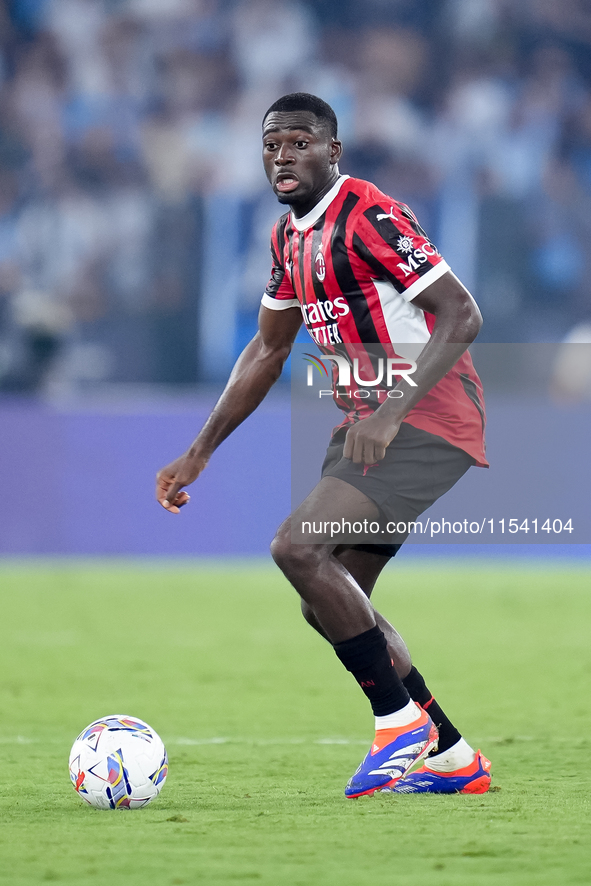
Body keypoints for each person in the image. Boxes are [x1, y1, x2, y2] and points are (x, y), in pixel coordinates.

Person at [156, 93, 492, 797]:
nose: (283, 155)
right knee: (330, 597)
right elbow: (266, 352)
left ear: (331, 152)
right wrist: (200, 449)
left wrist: (392, 410)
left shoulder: (368, 214)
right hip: (367, 425)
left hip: (426, 417)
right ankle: (452, 757)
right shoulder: (286, 240)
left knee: (295, 549)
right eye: (273, 144)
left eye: (300, 142)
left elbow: (461, 313)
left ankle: (397, 724)